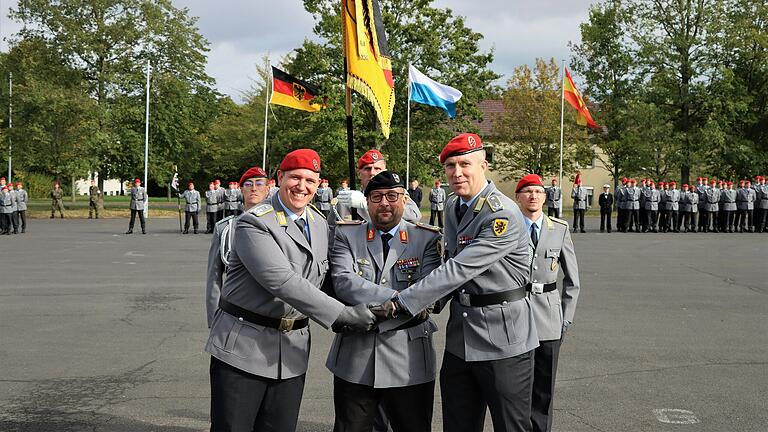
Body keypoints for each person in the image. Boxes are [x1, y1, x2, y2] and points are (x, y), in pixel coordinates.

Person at [204, 149, 377, 432]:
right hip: (244, 347)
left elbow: (330, 280)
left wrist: (379, 302)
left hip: (292, 352)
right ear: (279, 178)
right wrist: (343, 315)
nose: (302, 186)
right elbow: (281, 281)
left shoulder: (320, 223)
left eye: (310, 180)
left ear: (318, 184)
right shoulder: (254, 222)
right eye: (295, 177)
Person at [377, 133, 539, 432]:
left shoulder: (501, 213)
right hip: (461, 337)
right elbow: (447, 257)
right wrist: (432, 300)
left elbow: (459, 269)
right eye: (450, 165)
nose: (457, 172)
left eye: (465, 164)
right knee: (458, 424)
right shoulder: (453, 205)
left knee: (511, 425)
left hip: (503, 339)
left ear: (483, 165)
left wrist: (403, 302)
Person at [328, 170, 442, 432]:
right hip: (356, 356)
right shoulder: (347, 234)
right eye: (377, 197)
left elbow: (430, 292)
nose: (385, 203)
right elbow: (344, 282)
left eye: (393, 196)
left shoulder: (426, 237)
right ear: (367, 203)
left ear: (405, 200)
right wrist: (400, 300)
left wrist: (397, 303)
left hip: (409, 358)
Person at [514, 174, 580, 432]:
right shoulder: (508, 228)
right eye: (527, 191)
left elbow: (573, 281)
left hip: (549, 320)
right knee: (517, 390)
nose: (533, 196)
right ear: (518, 197)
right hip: (515, 316)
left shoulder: (559, 229)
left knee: (543, 390)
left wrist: (565, 319)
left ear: (545, 197)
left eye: (538, 192)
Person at [205, 166, 269, 329]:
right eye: (248, 184)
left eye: (259, 183)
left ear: (268, 189)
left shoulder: (282, 226)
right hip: (235, 317)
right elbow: (214, 279)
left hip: (271, 319)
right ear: (241, 190)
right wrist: (214, 321)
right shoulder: (225, 228)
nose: (254, 188)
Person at [336, 149, 421, 224]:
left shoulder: (397, 194)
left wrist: (367, 204)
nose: (372, 173)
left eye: (377, 169)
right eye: (367, 169)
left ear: (385, 172)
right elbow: (333, 233)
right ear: (359, 174)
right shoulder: (346, 198)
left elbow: (414, 216)